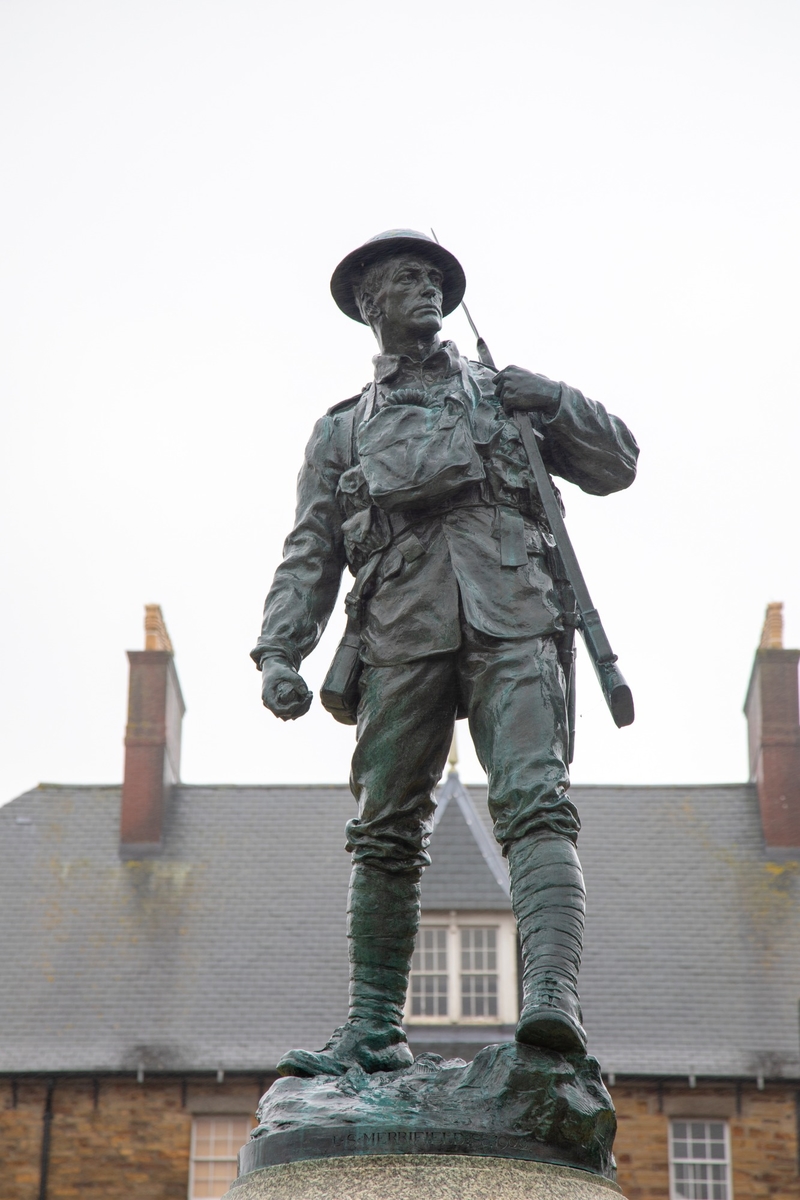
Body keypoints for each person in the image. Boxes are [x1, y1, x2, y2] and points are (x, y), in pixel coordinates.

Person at [251, 230, 638, 1078]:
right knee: (384, 832)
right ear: (369, 305)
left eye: (434, 279)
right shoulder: (340, 432)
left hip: (514, 612)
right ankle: (372, 1028)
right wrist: (281, 650)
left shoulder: (508, 394)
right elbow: (311, 547)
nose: (427, 290)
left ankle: (550, 1004)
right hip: (400, 627)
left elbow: (618, 465)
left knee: (538, 804)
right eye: (405, 280)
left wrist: (561, 401)